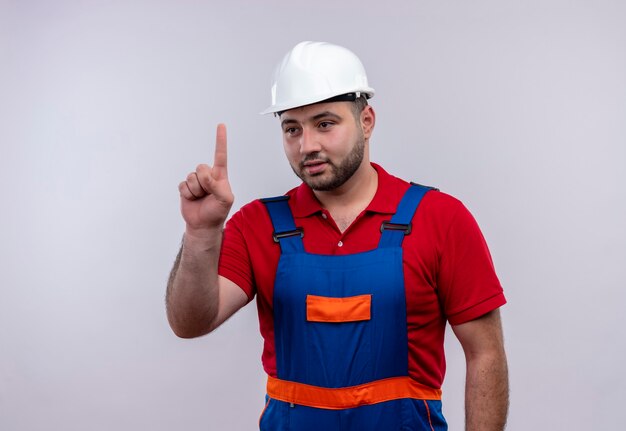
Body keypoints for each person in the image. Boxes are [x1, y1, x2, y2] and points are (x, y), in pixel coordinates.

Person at [166, 41, 509, 431]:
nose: (306, 146)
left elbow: (485, 354)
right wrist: (201, 232)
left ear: (367, 121)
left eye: (325, 124)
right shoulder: (257, 225)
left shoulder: (441, 219)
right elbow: (190, 323)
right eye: (291, 128)